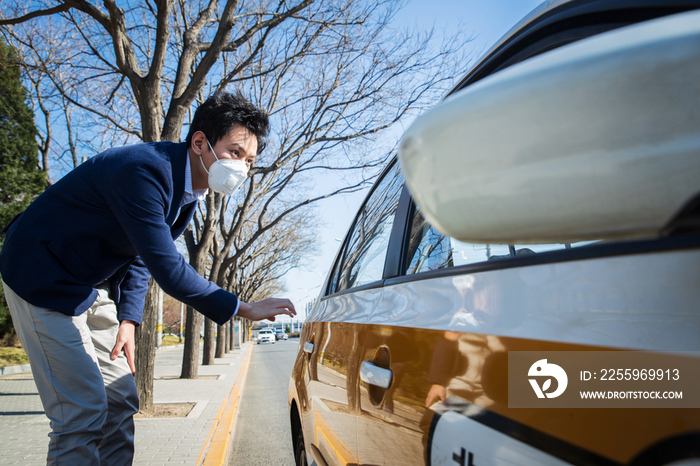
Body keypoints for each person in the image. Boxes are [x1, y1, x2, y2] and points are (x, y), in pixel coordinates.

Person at [0, 92, 296, 465]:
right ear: (200, 142)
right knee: (82, 410)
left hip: (87, 285)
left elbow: (140, 258)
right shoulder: (145, 171)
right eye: (236, 152)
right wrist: (244, 308)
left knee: (121, 396)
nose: (242, 167)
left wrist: (128, 319)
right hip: (39, 274)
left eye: (250, 160)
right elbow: (168, 269)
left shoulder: (189, 191)